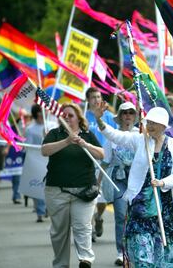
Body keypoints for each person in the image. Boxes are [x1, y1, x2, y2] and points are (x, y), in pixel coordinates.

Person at [95, 105, 173, 267]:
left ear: (163, 126)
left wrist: (163, 182)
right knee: (142, 258)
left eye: (154, 123)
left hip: (165, 210)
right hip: (140, 208)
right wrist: (99, 121)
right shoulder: (140, 140)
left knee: (166, 260)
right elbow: (116, 136)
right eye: (148, 122)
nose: (149, 126)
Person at [42, 103, 104, 268]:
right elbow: (45, 150)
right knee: (59, 232)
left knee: (82, 227)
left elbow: (101, 154)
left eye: (70, 115)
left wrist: (85, 144)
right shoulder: (55, 134)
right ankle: (61, 264)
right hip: (57, 190)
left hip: (84, 191)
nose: (67, 118)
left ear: (78, 118)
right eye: (64, 115)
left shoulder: (87, 134)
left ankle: (85, 259)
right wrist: (67, 141)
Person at [101, 102, 139, 266]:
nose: (128, 115)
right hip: (119, 179)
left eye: (131, 112)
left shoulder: (141, 134)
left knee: (138, 215)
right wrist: (96, 184)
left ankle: (136, 249)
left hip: (137, 179)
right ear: (120, 116)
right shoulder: (112, 136)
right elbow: (105, 161)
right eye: (125, 113)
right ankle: (121, 251)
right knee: (121, 215)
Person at [84, 87, 117, 240]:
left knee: (102, 199)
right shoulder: (83, 117)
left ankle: (98, 216)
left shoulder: (109, 116)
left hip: (105, 161)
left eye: (98, 96)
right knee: (89, 195)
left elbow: (117, 136)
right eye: (93, 97)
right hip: (87, 160)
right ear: (88, 100)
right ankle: (89, 228)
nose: (96, 99)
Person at [25, 104, 47, 222]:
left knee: (49, 186)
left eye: (42, 111)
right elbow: (28, 146)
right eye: (38, 112)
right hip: (35, 159)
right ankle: (39, 212)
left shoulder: (52, 126)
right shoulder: (30, 129)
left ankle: (48, 207)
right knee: (37, 185)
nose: (41, 114)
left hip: (49, 159)